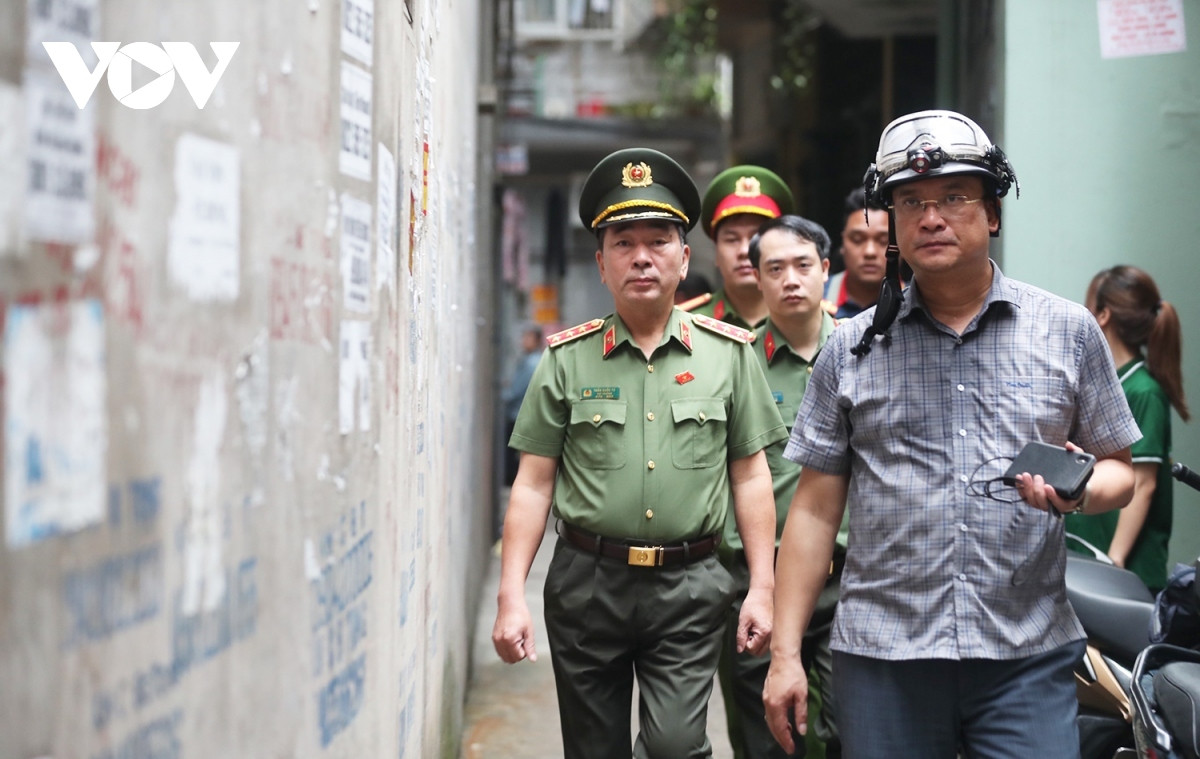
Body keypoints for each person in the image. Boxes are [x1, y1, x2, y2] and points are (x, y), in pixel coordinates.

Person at [762, 110, 1140, 758]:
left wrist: (1075, 493)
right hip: (884, 661)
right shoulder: (850, 348)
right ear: (892, 224)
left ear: (992, 212)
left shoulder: (1067, 330)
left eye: (954, 198)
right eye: (911, 202)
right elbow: (816, 510)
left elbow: (1121, 471)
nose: (932, 216)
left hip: (1026, 654)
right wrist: (785, 653)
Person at [492, 147, 788, 759]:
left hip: (691, 584)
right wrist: (510, 595)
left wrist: (762, 584)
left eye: (659, 240)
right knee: (593, 749)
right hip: (586, 584)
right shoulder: (565, 359)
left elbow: (751, 476)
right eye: (623, 243)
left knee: (678, 746)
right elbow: (533, 484)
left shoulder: (730, 355)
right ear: (601, 264)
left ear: (685, 258)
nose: (642, 256)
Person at [717, 215, 843, 759]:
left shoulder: (867, 355)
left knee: (848, 732)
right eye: (775, 268)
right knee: (764, 740)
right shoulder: (731, 363)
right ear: (758, 278)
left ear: (825, 271)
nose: (790, 279)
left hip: (850, 584)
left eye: (802, 265)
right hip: (757, 583)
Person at [1067, 266, 1190, 592]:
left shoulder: (1143, 390)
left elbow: (1144, 484)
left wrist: (1115, 560)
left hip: (1123, 574)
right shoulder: (1105, 384)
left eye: (1090, 304)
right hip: (1088, 563)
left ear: (1103, 315)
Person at [692, 166, 796, 329]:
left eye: (756, 238)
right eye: (732, 240)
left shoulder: (805, 318)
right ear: (716, 253)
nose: (744, 251)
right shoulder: (692, 323)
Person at [825, 188, 889, 320]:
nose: (869, 252)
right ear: (843, 243)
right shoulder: (815, 297)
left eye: (883, 241)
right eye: (857, 240)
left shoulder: (922, 303)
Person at [501, 325, 545, 485]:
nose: (523, 341)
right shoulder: (533, 360)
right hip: (523, 413)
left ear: (537, 340)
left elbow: (514, 391)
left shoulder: (531, 363)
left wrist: (503, 393)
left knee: (511, 454)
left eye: (528, 338)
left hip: (518, 414)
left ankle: (512, 482)